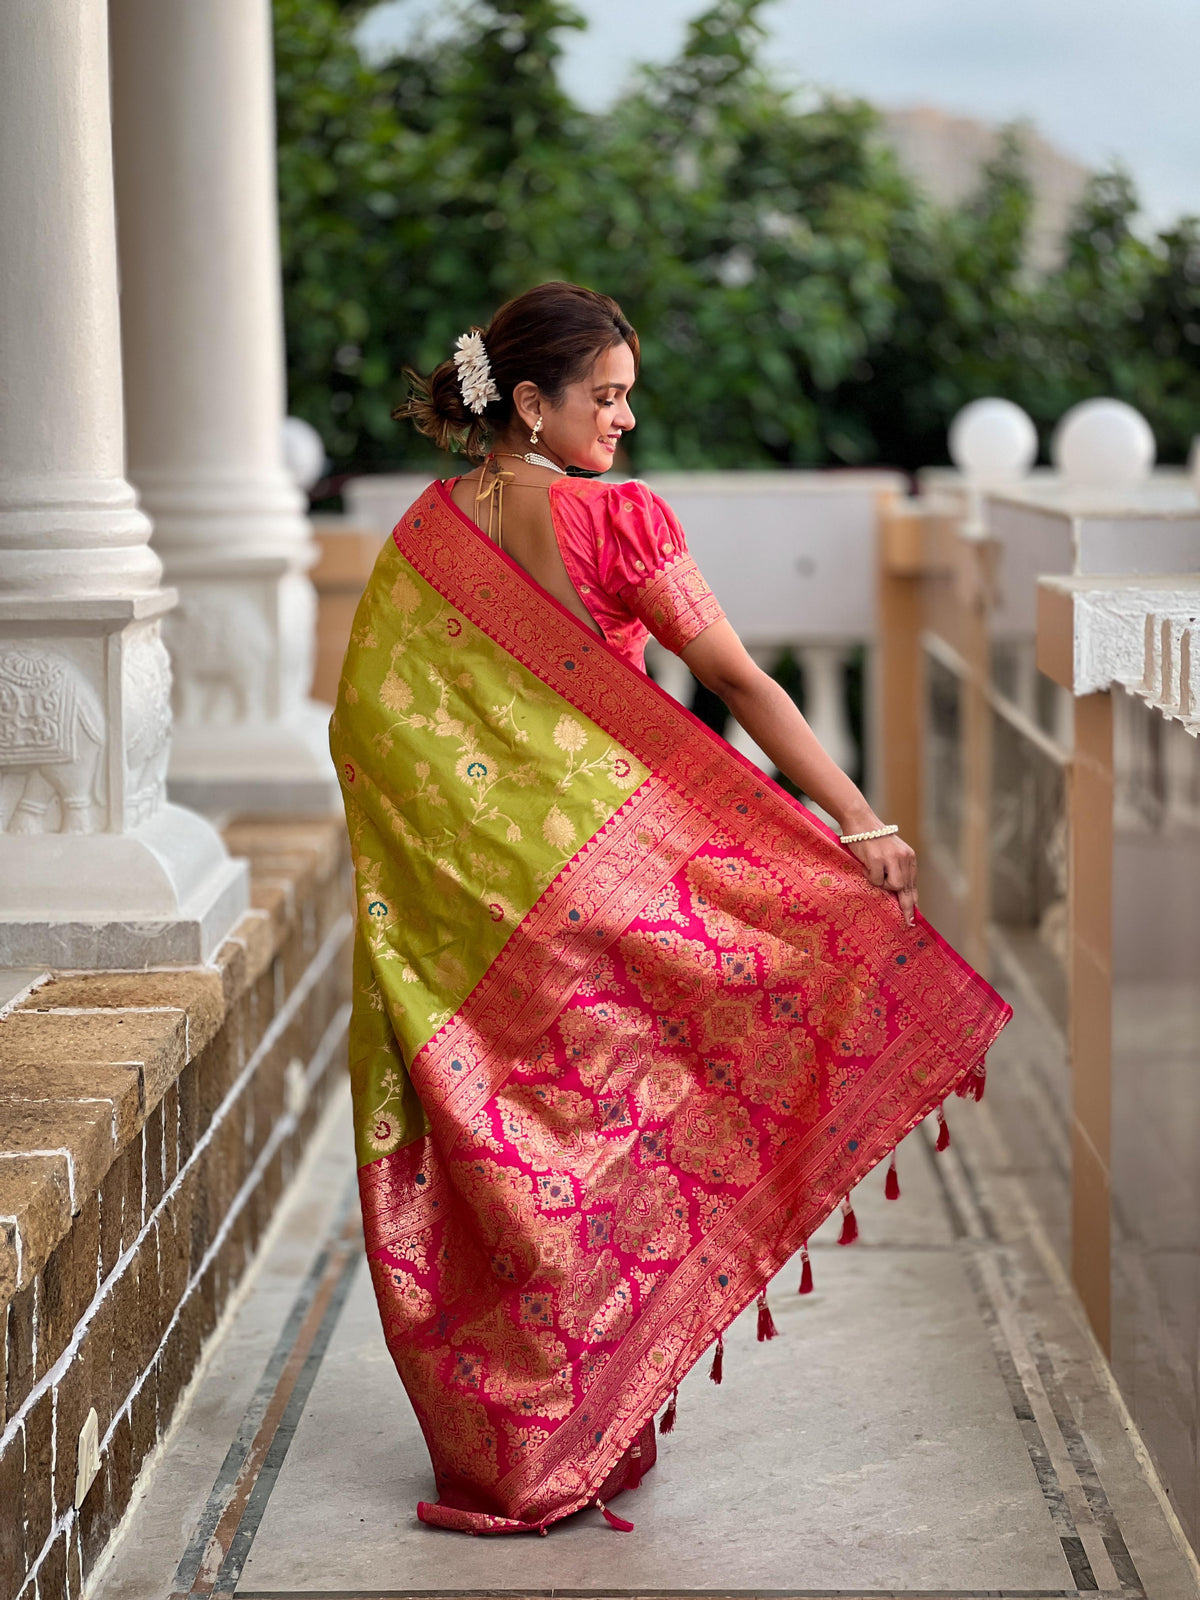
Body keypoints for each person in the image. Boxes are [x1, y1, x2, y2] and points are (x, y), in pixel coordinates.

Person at [330, 281, 1010, 1536]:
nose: (625, 421)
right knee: (616, 1137)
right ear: (529, 403)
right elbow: (741, 679)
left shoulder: (428, 533)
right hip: (607, 894)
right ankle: (577, 1427)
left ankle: (529, 1441)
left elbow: (371, 730)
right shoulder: (619, 521)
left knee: (520, 1157)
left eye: (629, 398)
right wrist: (859, 821)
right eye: (607, 397)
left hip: (486, 918)